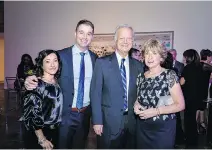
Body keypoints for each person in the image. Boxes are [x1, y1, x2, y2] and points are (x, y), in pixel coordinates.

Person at [24, 19, 97, 148]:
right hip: (64, 116)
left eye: (89, 33)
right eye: (81, 32)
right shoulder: (61, 55)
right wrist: (30, 78)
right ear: (75, 34)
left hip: (85, 115)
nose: (85, 37)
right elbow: (45, 68)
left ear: (92, 36)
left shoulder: (94, 58)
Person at [90, 24, 144, 148]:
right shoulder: (102, 63)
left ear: (132, 41)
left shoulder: (138, 66)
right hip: (108, 123)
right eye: (122, 38)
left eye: (129, 38)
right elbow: (95, 93)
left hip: (132, 123)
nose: (125, 42)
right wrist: (97, 121)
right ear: (115, 40)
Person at [134, 39, 185, 149]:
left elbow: (180, 105)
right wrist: (136, 105)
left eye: (154, 53)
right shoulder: (140, 77)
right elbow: (139, 99)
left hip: (162, 130)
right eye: (147, 53)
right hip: (143, 128)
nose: (150, 57)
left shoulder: (169, 75)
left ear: (161, 57)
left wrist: (156, 111)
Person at [20, 49, 63, 149]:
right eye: (47, 61)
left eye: (55, 60)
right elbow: (32, 114)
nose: (52, 64)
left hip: (55, 131)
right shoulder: (36, 85)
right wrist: (42, 138)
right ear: (41, 64)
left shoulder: (57, 80)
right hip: (40, 132)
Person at [180, 49, 203, 148]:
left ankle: (190, 144)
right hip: (198, 97)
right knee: (195, 122)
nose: (183, 59)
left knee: (189, 122)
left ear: (188, 57)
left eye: (184, 56)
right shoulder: (201, 67)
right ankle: (195, 143)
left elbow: (182, 82)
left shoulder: (187, 68)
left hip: (189, 98)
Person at [197, 49, 212, 133]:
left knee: (198, 108)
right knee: (201, 108)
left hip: (195, 91)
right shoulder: (209, 67)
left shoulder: (196, 66)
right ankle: (202, 124)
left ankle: (198, 126)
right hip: (204, 91)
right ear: (208, 56)